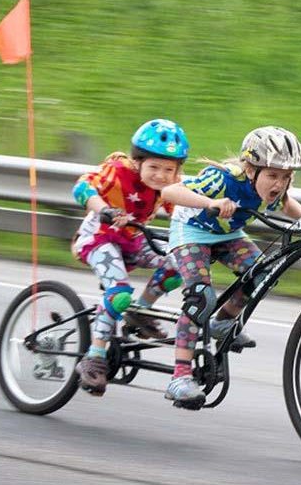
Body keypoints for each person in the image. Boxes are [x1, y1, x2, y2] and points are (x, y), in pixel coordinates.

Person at [160, 126, 301, 409]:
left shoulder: (275, 190)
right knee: (200, 298)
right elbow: (170, 191)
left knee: (264, 275)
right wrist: (211, 202)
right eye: (272, 175)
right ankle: (180, 377)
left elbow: (286, 203)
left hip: (227, 234)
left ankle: (222, 323)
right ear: (251, 170)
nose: (279, 184)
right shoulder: (223, 179)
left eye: (285, 177)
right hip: (192, 231)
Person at [72, 118, 189, 396]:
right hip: (98, 238)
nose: (161, 175)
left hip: (133, 240)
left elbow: (183, 213)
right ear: (138, 163)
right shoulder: (118, 171)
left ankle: (140, 312)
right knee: (119, 294)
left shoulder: (169, 187)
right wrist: (103, 209)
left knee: (178, 266)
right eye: (154, 167)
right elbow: (82, 187)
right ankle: (94, 358)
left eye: (169, 169)